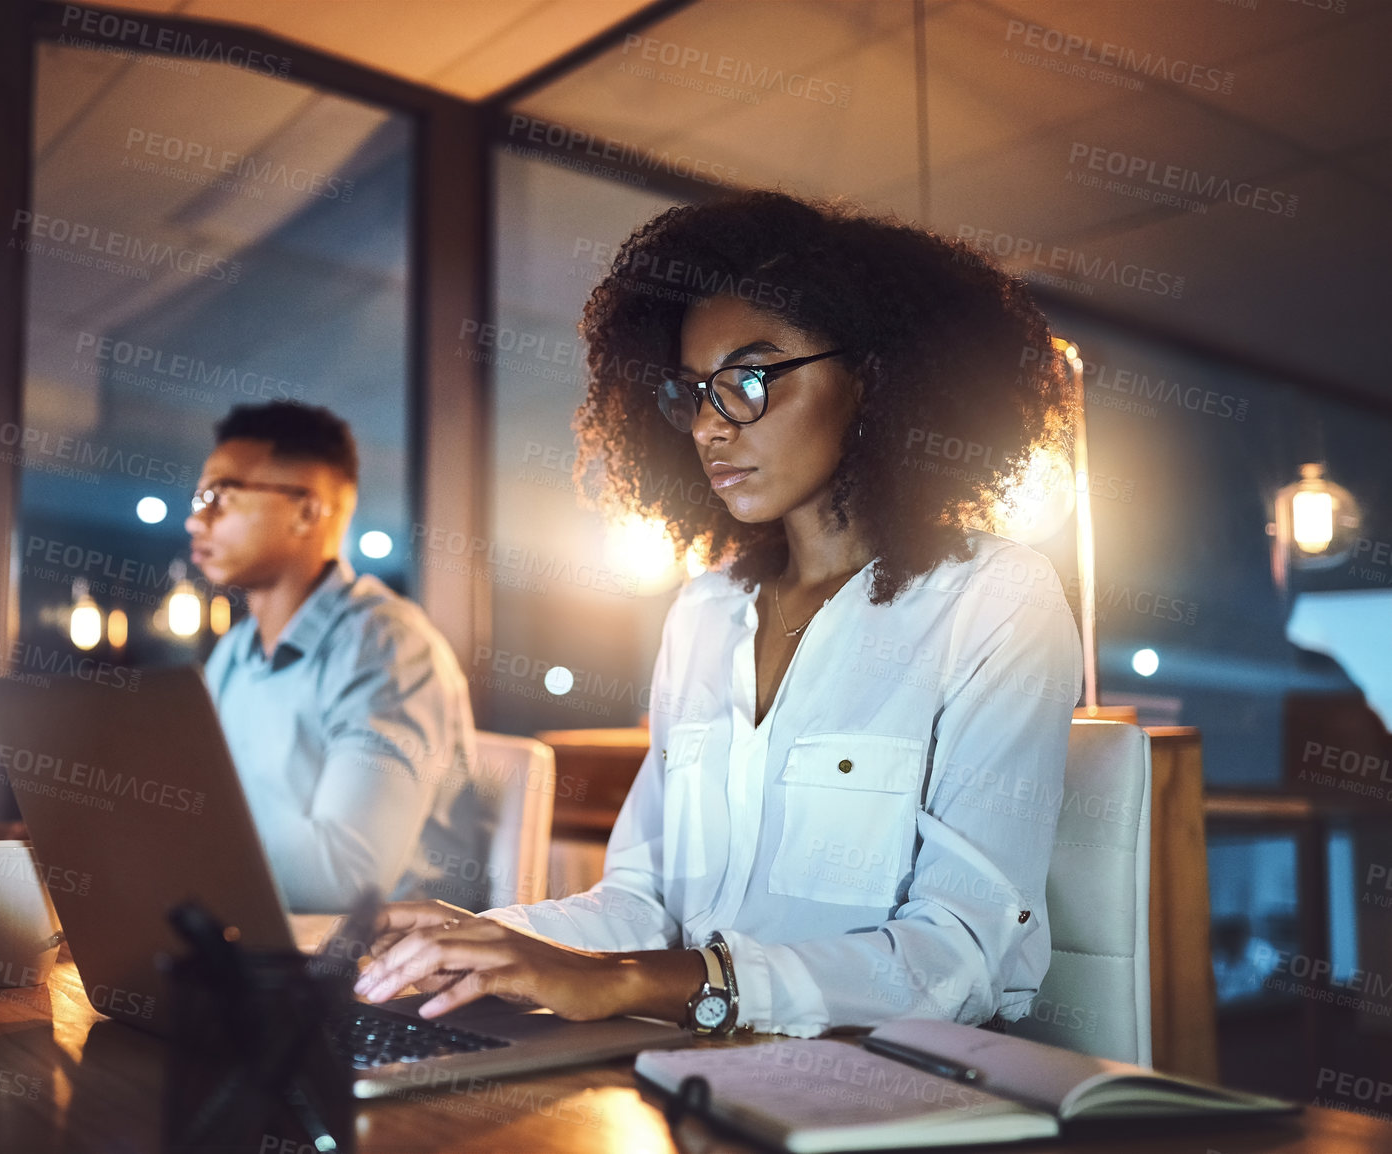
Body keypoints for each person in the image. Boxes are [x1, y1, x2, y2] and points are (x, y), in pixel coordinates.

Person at [354, 192, 1084, 1038]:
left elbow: (957, 957)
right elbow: (642, 902)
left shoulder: (993, 601)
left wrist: (632, 982)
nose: (707, 426)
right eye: (693, 391)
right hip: (686, 1069)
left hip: (882, 1095)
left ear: (878, 376)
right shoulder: (704, 612)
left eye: (746, 379)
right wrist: (491, 940)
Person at [186, 401, 493, 913]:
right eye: (200, 497)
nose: (198, 520)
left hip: (389, 972)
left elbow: (345, 879)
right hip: (265, 936)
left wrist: (178, 840)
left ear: (307, 511)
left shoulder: (386, 649)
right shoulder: (236, 654)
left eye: (221, 495)